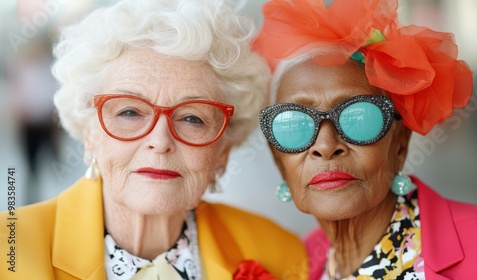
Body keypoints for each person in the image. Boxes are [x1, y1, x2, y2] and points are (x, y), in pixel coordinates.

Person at [0, 0, 308, 279]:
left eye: (192, 118)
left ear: (223, 150)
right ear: (90, 134)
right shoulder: (7, 250)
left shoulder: (281, 255)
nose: (160, 141)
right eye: (130, 112)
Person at [253, 0, 477, 279]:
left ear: (400, 144)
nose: (325, 146)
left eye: (358, 116)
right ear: (278, 159)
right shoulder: (294, 265)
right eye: (294, 124)